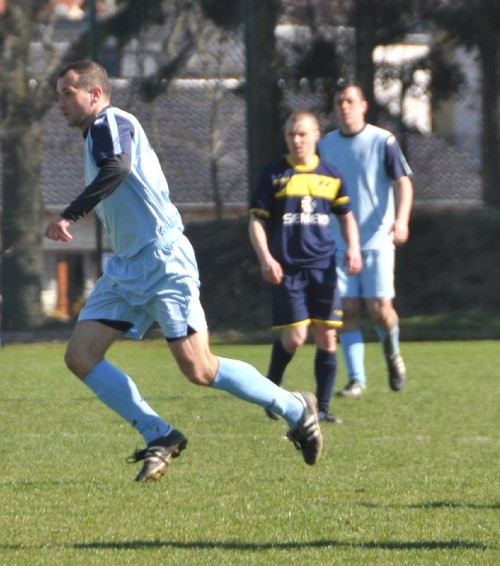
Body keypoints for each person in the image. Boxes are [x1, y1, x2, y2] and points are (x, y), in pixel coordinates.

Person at [44, 60, 324, 482]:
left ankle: (295, 408)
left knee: (199, 369)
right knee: (80, 356)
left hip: (162, 260)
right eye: (59, 93)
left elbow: (118, 167)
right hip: (126, 266)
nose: (60, 101)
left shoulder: (111, 122)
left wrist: (70, 215)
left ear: (96, 94)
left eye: (68, 92)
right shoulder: (93, 136)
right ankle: (159, 433)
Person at [249, 112, 363, 425]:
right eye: (291, 135)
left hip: (323, 268)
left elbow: (346, 216)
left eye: (302, 134)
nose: (296, 140)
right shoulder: (274, 175)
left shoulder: (332, 175)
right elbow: (256, 221)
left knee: (327, 337)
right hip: (288, 270)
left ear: (316, 136)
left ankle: (323, 408)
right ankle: (270, 393)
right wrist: (266, 258)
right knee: (296, 337)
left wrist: (353, 248)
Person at [318, 82, 414, 397]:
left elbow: (403, 183)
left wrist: (401, 221)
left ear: (363, 105)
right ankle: (356, 379)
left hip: (377, 238)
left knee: (379, 309)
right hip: (338, 241)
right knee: (345, 310)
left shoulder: (382, 141)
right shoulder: (326, 145)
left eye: (349, 101)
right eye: (339, 101)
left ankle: (392, 352)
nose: (344, 106)